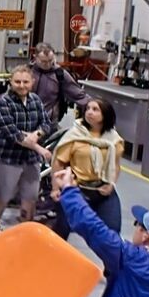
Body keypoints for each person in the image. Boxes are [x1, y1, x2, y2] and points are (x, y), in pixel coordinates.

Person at [51, 96, 125, 237]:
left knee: (113, 231)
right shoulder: (75, 135)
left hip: (102, 190)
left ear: (105, 115)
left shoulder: (114, 139)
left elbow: (116, 165)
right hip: (77, 188)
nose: (89, 112)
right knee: (62, 230)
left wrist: (111, 184)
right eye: (88, 109)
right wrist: (55, 188)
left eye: (95, 109)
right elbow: (58, 162)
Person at [0, 65, 52, 222]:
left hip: (31, 161)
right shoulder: (2, 102)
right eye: (17, 81)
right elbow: (13, 134)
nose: (22, 85)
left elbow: (46, 124)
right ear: (10, 82)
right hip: (7, 160)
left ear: (32, 82)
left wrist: (36, 134)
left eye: (25, 82)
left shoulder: (35, 100)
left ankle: (26, 230)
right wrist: (39, 148)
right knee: (2, 199)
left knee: (30, 199)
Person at [28, 42, 86, 123]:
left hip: (49, 122)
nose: (47, 64)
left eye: (50, 60)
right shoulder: (27, 72)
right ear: (35, 57)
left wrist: (97, 106)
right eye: (43, 61)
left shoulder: (60, 74)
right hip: (25, 121)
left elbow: (79, 95)